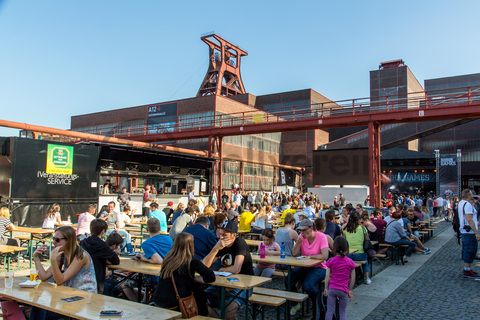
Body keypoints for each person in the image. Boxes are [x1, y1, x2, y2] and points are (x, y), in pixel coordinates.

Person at [32, 226, 97, 319]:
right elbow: (44, 276)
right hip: (68, 294)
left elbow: (60, 281)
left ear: (69, 241)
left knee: (47, 313)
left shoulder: (81, 255)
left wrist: (53, 260)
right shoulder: (61, 254)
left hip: (84, 297)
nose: (54, 242)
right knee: (38, 306)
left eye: (57, 240)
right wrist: (36, 258)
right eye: (53, 239)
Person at [151, 233, 215, 316]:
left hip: (159, 299)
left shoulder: (167, 259)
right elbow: (211, 277)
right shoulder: (192, 261)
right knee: (200, 296)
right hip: (176, 302)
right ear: (191, 245)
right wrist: (196, 279)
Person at [203, 220, 253, 319]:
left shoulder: (240, 243)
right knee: (200, 301)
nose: (221, 237)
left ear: (234, 235)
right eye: (220, 234)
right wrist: (215, 249)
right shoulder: (221, 244)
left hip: (243, 284)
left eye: (224, 235)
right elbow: (204, 265)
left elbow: (236, 268)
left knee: (229, 311)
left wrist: (221, 270)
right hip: (223, 284)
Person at [289, 219, 329, 318]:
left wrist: (310, 256)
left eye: (304, 230)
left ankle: (318, 303)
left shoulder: (321, 236)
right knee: (288, 279)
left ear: (311, 228)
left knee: (308, 285)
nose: (302, 232)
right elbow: (294, 254)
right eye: (301, 230)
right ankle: (296, 304)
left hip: (319, 267)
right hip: (305, 266)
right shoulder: (301, 237)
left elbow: (325, 256)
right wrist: (298, 242)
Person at [80, 219, 120, 293]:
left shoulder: (82, 243)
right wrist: (114, 253)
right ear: (103, 231)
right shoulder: (102, 245)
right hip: (97, 278)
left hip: (81, 275)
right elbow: (116, 261)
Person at [324, 237, 356, 320]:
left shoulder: (331, 260)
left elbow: (327, 276)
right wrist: (350, 289)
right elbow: (352, 278)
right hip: (343, 290)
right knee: (342, 312)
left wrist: (325, 288)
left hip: (332, 289)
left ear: (334, 248)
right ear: (347, 248)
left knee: (330, 310)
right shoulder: (350, 262)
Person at [343, 212, 372, 284]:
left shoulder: (345, 229)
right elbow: (367, 239)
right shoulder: (362, 228)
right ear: (358, 220)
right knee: (365, 262)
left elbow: (344, 241)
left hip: (348, 255)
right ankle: (367, 278)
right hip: (360, 255)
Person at [457, 189, 480, 277]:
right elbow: (469, 219)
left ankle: (468, 269)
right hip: (469, 231)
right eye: (471, 194)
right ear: (468, 195)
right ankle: (467, 270)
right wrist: (476, 233)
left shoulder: (461, 203)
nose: (472, 195)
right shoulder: (467, 205)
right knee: (470, 250)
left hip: (464, 230)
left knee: (467, 249)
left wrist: (473, 203)